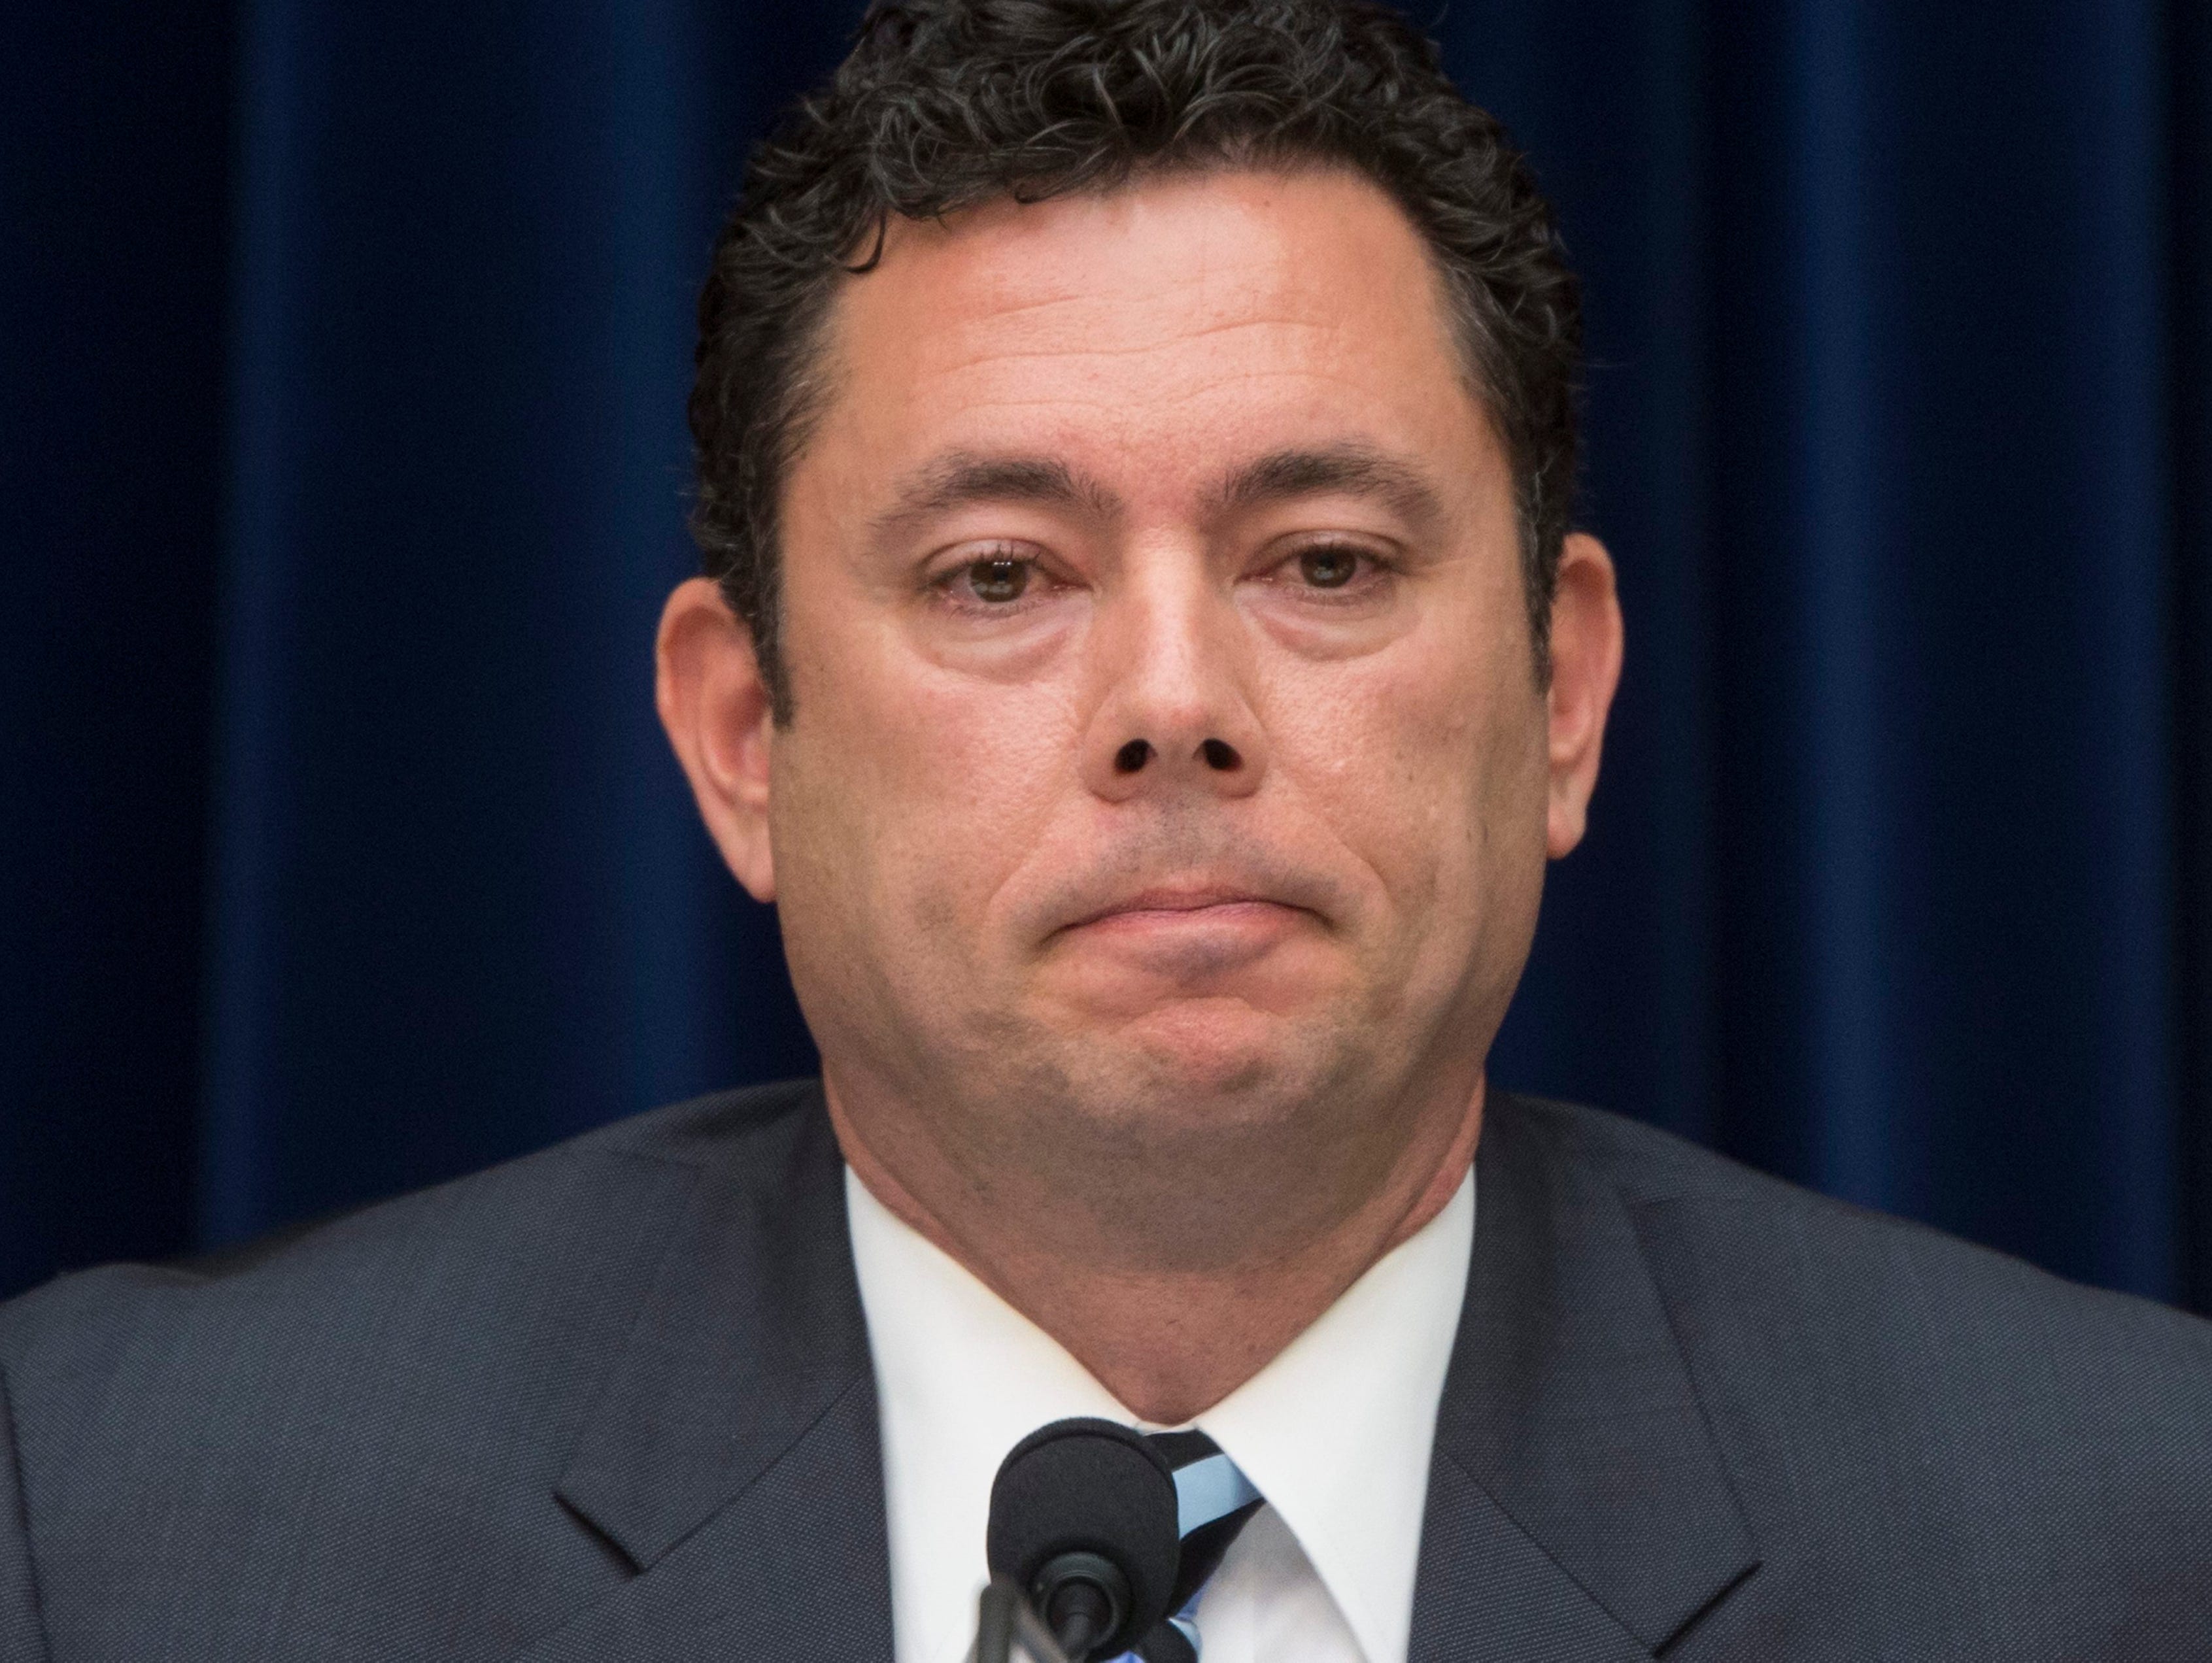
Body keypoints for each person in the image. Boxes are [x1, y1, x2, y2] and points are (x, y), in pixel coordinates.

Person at [4, 1, 2209, 1658]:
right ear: (746, 735)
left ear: (1562, 695)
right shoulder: (126, 1526)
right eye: (1000, 579)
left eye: (1324, 561)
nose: (1175, 705)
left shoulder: (2124, 1544)